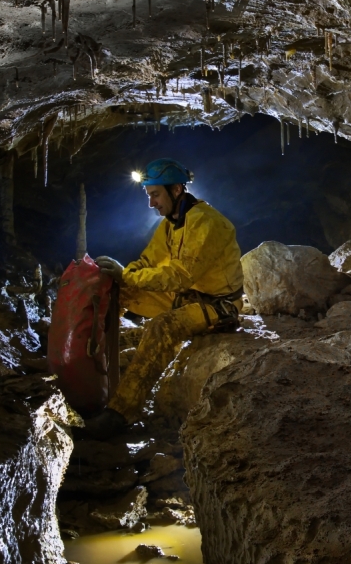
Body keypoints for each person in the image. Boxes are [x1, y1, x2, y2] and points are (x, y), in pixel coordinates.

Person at [83, 158, 243, 439]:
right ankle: (92, 368)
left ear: (177, 190)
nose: (151, 204)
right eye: (149, 195)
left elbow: (180, 275)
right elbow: (149, 260)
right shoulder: (172, 223)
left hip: (218, 306)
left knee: (162, 327)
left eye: (155, 195)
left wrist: (128, 276)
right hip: (186, 297)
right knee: (118, 290)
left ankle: (120, 413)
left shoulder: (206, 223)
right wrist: (123, 276)